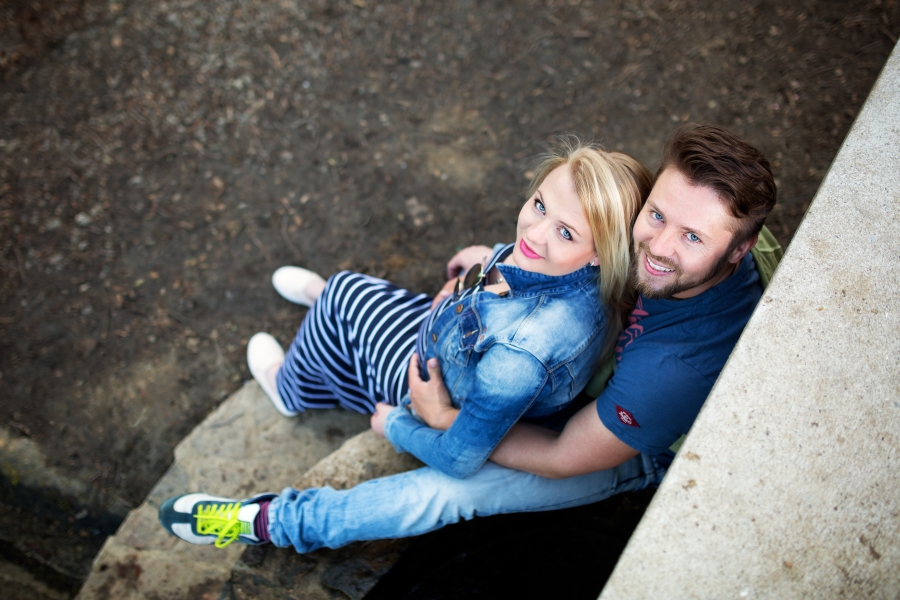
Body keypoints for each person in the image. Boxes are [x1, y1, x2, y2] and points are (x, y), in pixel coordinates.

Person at [158, 124, 778, 554]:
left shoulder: (672, 370)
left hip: (624, 446)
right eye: (656, 215)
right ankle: (335, 314)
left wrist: (437, 420)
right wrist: (503, 263)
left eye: (691, 237)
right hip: (573, 367)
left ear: (739, 249)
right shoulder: (654, 251)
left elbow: (563, 455)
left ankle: (271, 521)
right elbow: (593, 233)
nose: (657, 245)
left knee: (445, 494)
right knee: (402, 314)